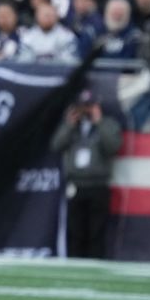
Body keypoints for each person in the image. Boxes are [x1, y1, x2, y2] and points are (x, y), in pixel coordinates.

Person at [51, 90, 123, 258]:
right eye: (83, 107)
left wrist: (99, 121)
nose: (86, 111)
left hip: (98, 185)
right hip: (75, 185)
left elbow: (113, 146)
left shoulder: (108, 124)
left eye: (89, 106)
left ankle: (96, 263)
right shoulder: (72, 126)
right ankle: (74, 263)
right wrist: (69, 124)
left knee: (96, 231)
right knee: (75, 231)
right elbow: (56, 145)